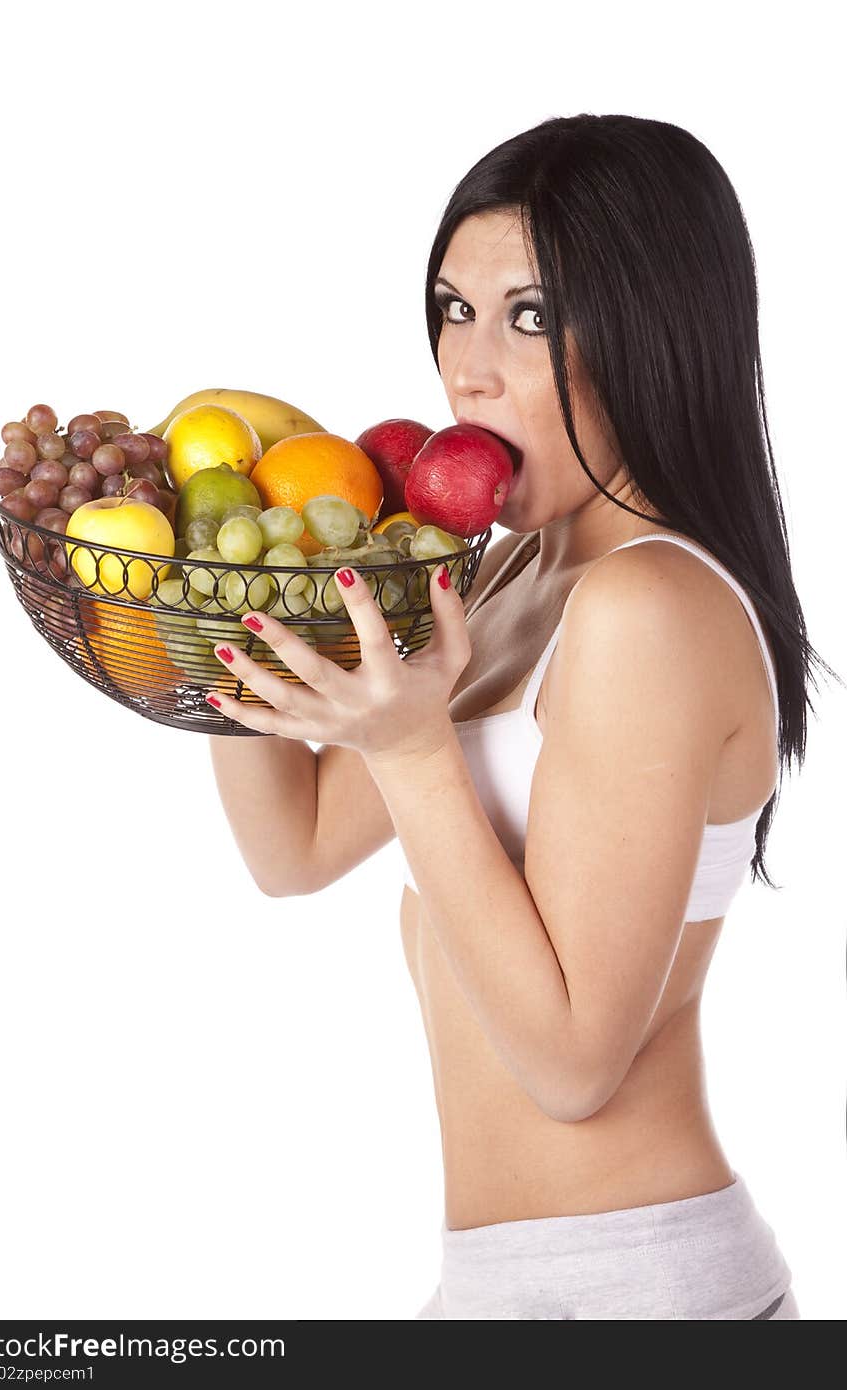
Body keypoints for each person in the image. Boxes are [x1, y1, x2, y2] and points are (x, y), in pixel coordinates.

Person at [207, 114, 839, 1319]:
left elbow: (570, 1062)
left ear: (655, 326)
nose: (467, 368)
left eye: (531, 317)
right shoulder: (509, 574)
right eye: (452, 307)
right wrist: (204, 638)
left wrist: (409, 747)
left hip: (635, 1290)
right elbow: (289, 853)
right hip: (499, 1290)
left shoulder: (647, 605)